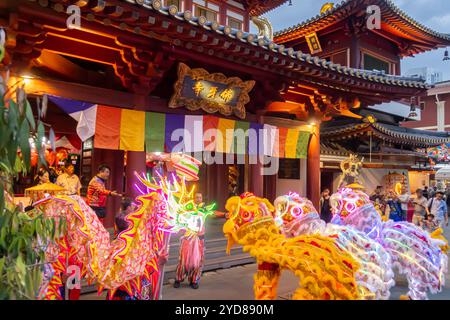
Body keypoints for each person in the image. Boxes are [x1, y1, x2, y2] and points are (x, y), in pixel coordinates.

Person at [108, 198, 168, 300]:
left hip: (127, 290)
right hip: (129, 292)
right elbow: (141, 270)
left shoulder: (117, 247)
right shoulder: (133, 249)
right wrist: (158, 262)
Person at [173, 192, 206, 290]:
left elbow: (214, 213)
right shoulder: (187, 208)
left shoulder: (204, 210)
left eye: (200, 197)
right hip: (188, 238)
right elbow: (180, 218)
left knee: (197, 262)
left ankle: (194, 280)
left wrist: (224, 214)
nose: (198, 199)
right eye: (197, 197)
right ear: (194, 198)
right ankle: (178, 279)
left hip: (199, 239)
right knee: (184, 260)